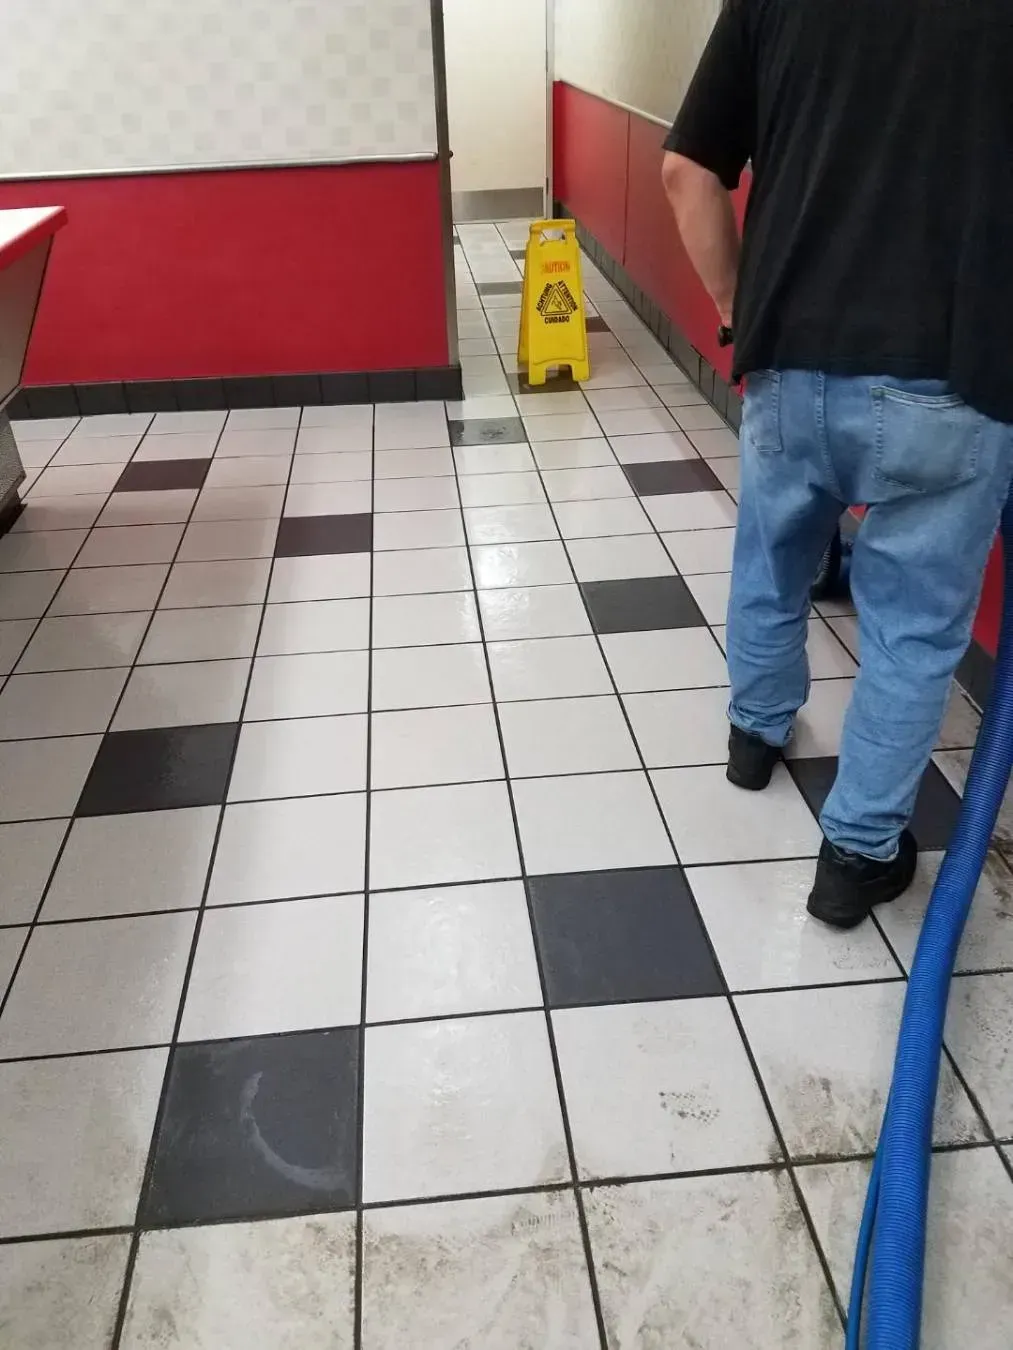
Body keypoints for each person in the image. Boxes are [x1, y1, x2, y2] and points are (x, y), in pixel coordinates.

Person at [661, 0, 1013, 928]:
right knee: (909, 627)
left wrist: (743, 310)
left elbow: (684, 172)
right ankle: (855, 856)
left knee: (770, 559)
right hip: (951, 375)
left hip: (789, 360)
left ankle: (754, 732)